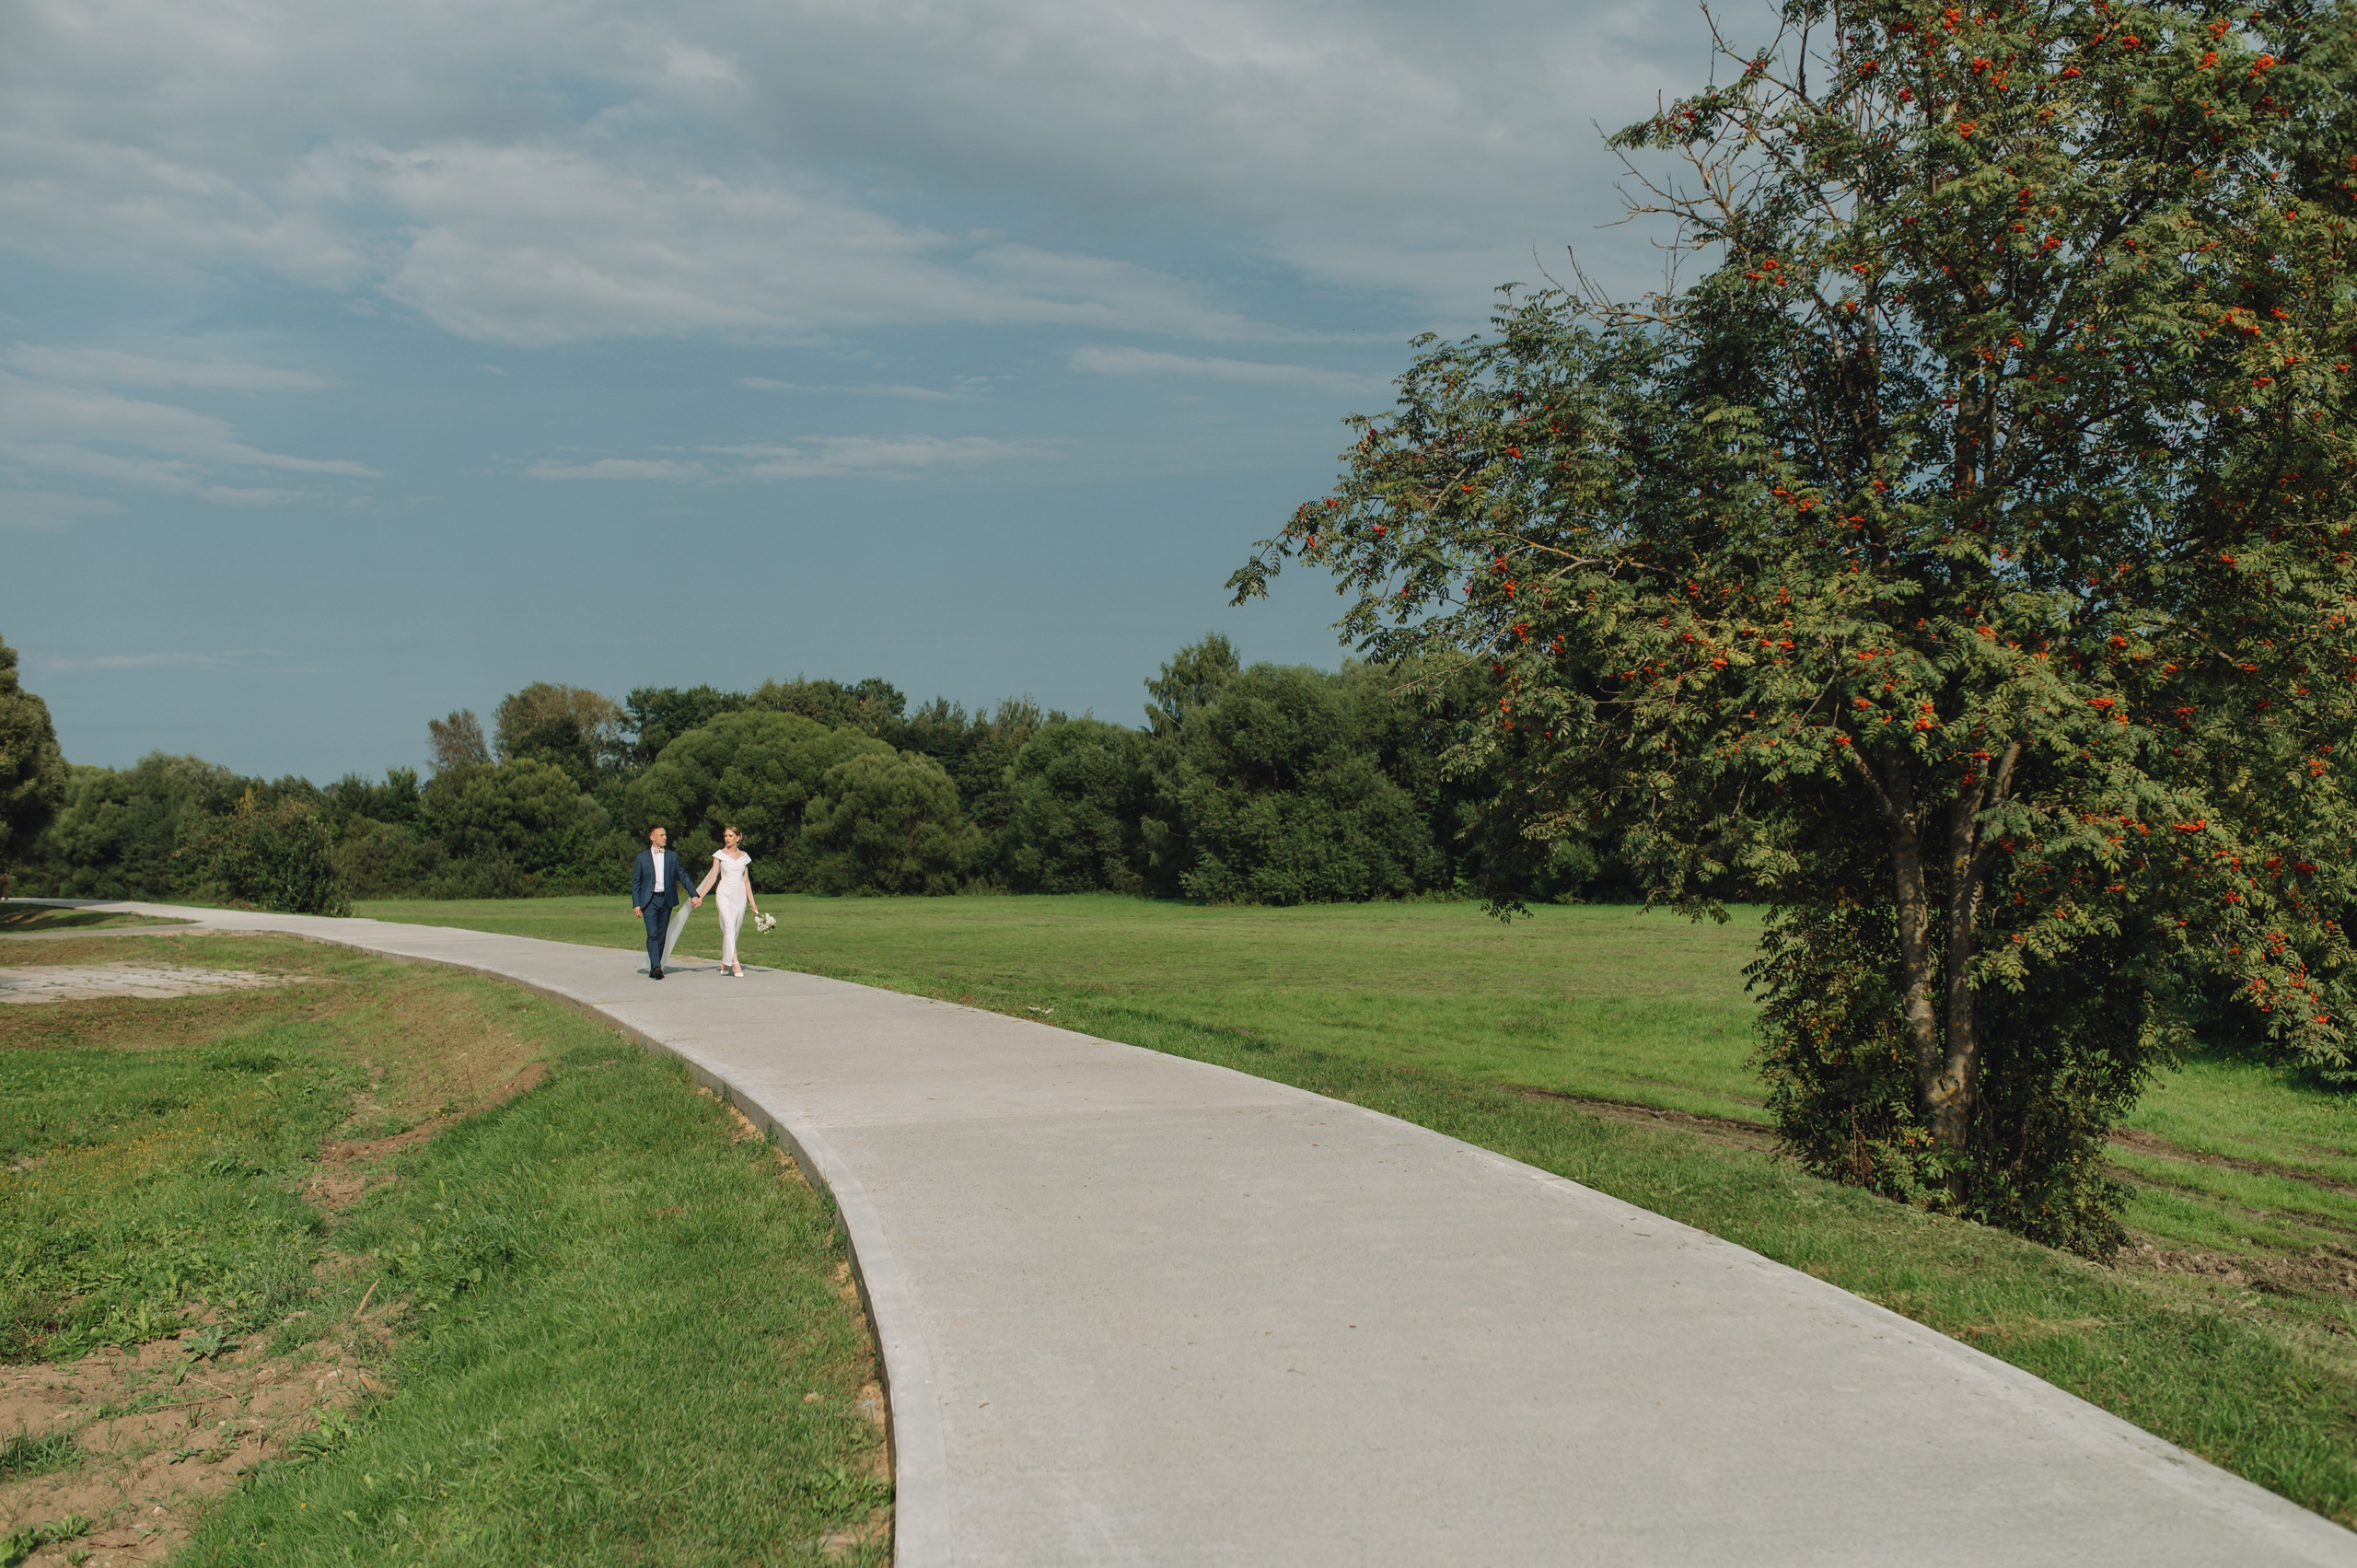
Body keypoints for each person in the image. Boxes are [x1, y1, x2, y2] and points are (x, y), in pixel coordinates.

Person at [630, 825, 701, 980]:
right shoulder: (641, 858)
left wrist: (694, 895)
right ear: (652, 837)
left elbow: (683, 876)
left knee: (661, 935)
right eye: (661, 835)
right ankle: (656, 967)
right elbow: (636, 883)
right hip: (649, 901)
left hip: (666, 900)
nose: (665, 837)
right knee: (652, 934)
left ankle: (656, 965)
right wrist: (636, 904)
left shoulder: (672, 856)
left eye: (665, 835)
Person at [695, 824, 761, 978]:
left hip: (739, 895)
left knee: (735, 929)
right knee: (729, 925)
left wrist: (752, 902)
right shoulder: (719, 855)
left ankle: (725, 962)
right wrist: (701, 896)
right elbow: (713, 877)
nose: (727, 838)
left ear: (738, 838)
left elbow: (746, 881)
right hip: (724, 893)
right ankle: (735, 963)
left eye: (731, 836)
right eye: (725, 836)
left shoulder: (745, 856)